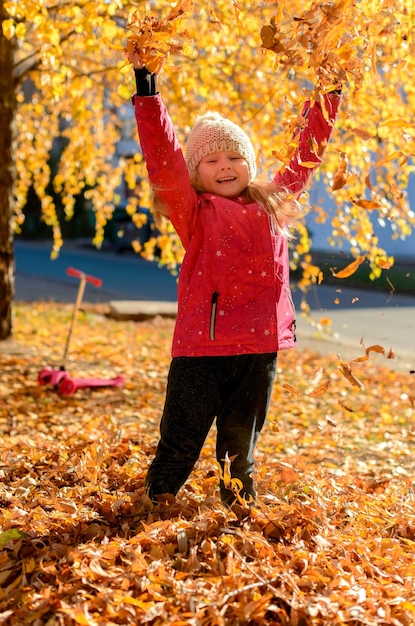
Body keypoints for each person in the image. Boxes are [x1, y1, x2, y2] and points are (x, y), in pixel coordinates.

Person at [129, 49, 341, 507]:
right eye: (210, 160)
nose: (224, 166)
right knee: (180, 441)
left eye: (233, 156)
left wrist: (328, 96)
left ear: (249, 163)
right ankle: (150, 507)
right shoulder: (194, 212)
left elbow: (306, 154)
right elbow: (163, 161)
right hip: (202, 348)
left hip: (257, 348)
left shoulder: (275, 202)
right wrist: (149, 98)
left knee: (238, 449)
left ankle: (240, 516)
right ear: (197, 174)